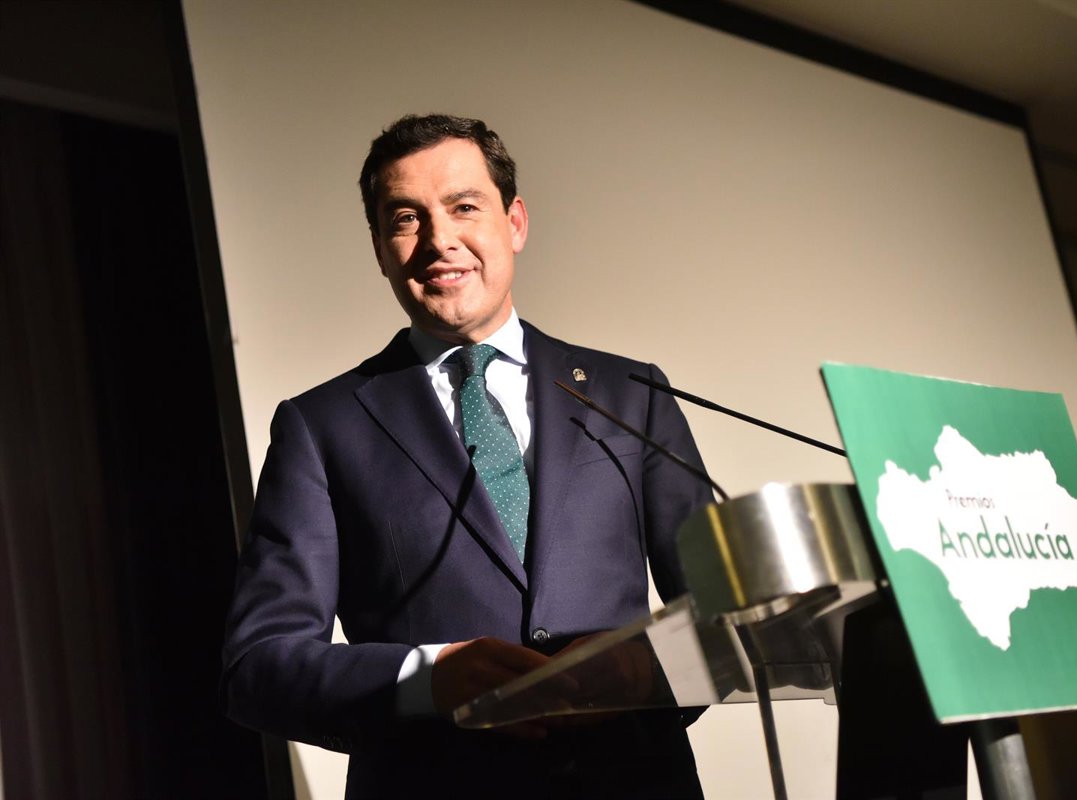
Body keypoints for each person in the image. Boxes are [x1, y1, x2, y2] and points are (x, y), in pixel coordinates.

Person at [220, 114, 711, 798]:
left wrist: (647, 670)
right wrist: (428, 680)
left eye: (464, 207)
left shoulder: (632, 395)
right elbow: (260, 665)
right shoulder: (321, 426)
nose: (439, 239)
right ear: (379, 249)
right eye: (406, 218)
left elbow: (724, 614)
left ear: (515, 222)